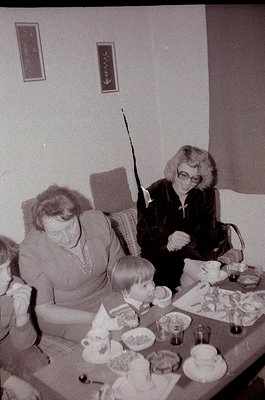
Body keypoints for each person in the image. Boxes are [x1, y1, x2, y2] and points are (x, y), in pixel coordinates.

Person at [19, 185, 125, 342]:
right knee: (109, 338)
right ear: (42, 229)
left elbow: (120, 270)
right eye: (55, 233)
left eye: (70, 227)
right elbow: (45, 309)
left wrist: (130, 297)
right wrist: (97, 317)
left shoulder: (99, 221)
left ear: (78, 214)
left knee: (140, 322)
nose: (67, 238)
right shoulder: (30, 251)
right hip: (64, 314)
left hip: (106, 297)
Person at [137, 145, 219, 291]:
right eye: (183, 175)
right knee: (208, 282)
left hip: (195, 253)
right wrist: (167, 242)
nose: (187, 183)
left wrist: (189, 241)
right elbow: (144, 238)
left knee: (203, 285)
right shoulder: (151, 194)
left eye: (195, 178)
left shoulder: (206, 194)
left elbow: (211, 235)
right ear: (174, 170)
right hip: (162, 256)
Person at [0, 236, 48, 399]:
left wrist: (22, 317)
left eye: (7, 268)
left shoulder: (13, 286)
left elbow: (25, 344)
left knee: (39, 367)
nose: (7, 277)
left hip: (4, 342)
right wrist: (11, 382)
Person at [92, 255, 170, 330]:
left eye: (152, 281)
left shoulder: (147, 295)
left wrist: (164, 294)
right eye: (145, 285)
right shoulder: (111, 303)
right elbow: (96, 324)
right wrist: (119, 322)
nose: (152, 287)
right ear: (126, 292)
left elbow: (163, 305)